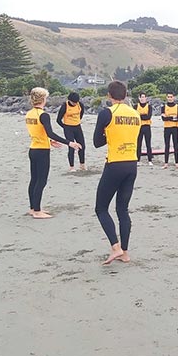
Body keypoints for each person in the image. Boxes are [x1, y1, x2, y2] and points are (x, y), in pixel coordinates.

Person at [93, 80, 141, 265]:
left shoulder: (107, 113)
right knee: (122, 209)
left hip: (115, 163)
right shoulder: (136, 114)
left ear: (109, 96)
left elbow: (97, 142)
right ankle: (125, 253)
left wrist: (110, 134)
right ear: (126, 95)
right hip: (132, 164)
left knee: (101, 208)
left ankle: (115, 247)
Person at [25, 87, 82, 219]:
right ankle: (38, 211)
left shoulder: (29, 114)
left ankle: (33, 208)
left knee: (34, 179)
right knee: (41, 181)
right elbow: (50, 132)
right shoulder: (43, 115)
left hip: (33, 149)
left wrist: (49, 141)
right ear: (43, 99)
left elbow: (37, 132)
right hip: (42, 151)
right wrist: (70, 143)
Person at [56, 91, 86, 172]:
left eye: (76, 102)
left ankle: (82, 165)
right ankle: (71, 167)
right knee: (72, 147)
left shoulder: (80, 105)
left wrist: (76, 121)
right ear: (69, 100)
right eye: (73, 102)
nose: (75, 104)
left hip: (77, 127)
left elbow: (81, 114)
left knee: (82, 146)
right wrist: (65, 127)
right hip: (68, 128)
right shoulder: (64, 106)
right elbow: (58, 120)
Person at [160, 92, 178, 169]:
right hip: (167, 128)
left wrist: (168, 117)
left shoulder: (177, 107)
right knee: (167, 145)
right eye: (168, 97)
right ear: (166, 98)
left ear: (173, 97)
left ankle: (176, 163)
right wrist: (172, 117)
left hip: (175, 128)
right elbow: (163, 118)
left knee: (176, 145)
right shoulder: (163, 107)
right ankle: (166, 163)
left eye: (171, 97)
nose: (170, 98)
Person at [135, 92, 153, 165]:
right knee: (138, 144)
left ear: (146, 98)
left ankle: (150, 160)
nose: (142, 99)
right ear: (139, 98)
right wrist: (142, 116)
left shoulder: (149, 107)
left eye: (144, 97)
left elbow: (148, 116)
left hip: (147, 126)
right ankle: (138, 160)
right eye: (141, 97)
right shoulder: (135, 106)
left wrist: (140, 116)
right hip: (138, 127)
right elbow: (135, 116)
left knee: (148, 143)